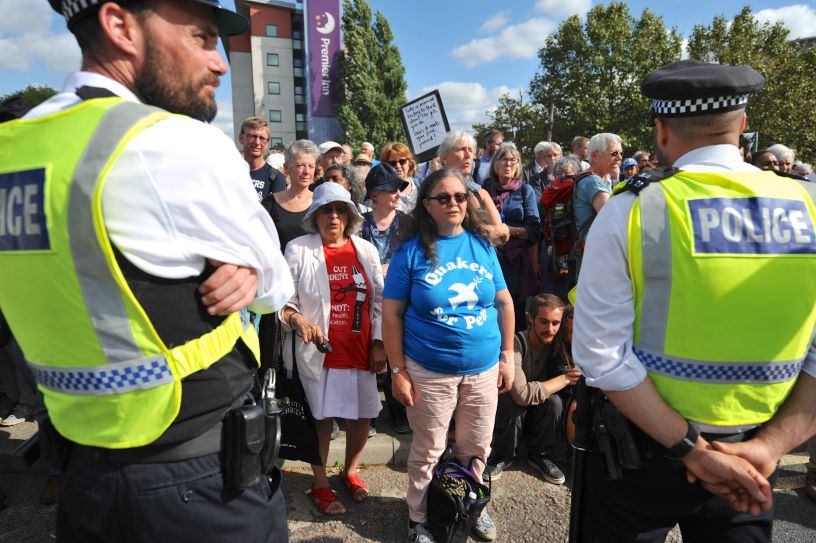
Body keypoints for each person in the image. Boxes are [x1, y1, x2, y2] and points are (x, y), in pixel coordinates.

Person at [0, 1, 295, 541]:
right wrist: (255, 273)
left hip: (84, 478)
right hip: (199, 485)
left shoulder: (12, 149)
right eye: (202, 38)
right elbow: (276, 285)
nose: (220, 63)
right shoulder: (170, 142)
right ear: (119, 26)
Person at [572, 59, 816, 542]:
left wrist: (693, 451)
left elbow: (601, 357)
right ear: (743, 126)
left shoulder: (633, 208)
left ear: (661, 130)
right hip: (751, 455)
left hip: (640, 453)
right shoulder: (807, 205)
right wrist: (770, 447)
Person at [382, 167, 515, 543]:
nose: (455, 203)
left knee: (475, 447)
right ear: (427, 206)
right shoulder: (409, 252)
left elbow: (504, 302)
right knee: (429, 449)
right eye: (444, 198)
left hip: (484, 369)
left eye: (460, 196)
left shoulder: (482, 245)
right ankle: (419, 519)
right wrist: (398, 371)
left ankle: (468, 506)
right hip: (430, 371)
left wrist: (508, 357)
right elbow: (391, 315)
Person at [278, 182, 385, 515]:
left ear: (351, 216)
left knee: (362, 417)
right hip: (319, 352)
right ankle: (320, 483)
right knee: (321, 420)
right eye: (326, 210)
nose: (334, 217)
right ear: (315, 216)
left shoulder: (365, 250)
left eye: (340, 210)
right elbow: (283, 302)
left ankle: (350, 470)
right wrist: (298, 321)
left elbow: (379, 302)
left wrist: (379, 342)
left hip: (360, 349)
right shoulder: (298, 249)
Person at [486, 294, 579, 485]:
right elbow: (521, 394)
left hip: (538, 412)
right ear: (531, 318)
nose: (550, 329)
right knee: (510, 398)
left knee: (555, 402)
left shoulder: (559, 347)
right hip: (511, 411)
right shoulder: (516, 344)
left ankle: (540, 455)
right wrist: (565, 378)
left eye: (555, 323)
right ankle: (503, 456)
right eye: (544, 322)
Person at [360, 164, 411, 434]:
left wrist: (390, 268)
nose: (397, 194)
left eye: (399, 189)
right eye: (392, 189)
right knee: (366, 355)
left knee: (396, 354)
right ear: (375, 194)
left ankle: (399, 411)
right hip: (368, 300)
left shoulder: (408, 223)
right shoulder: (359, 225)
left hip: (400, 299)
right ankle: (366, 414)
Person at [483, 142, 542, 330]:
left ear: (518, 165)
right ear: (495, 164)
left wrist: (508, 231)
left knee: (514, 314)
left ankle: (515, 354)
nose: (508, 164)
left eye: (513, 160)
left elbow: (534, 229)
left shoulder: (525, 190)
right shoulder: (485, 188)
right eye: (504, 159)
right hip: (488, 259)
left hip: (515, 263)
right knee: (489, 310)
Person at [437, 130, 509, 246]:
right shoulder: (434, 191)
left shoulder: (480, 193)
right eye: (461, 149)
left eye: (470, 150)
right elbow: (446, 230)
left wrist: (497, 230)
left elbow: (501, 235)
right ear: (444, 158)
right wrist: (487, 230)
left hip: (480, 258)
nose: (468, 155)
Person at [573, 132, 622, 245]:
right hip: (595, 252)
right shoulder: (593, 182)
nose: (619, 157)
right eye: (614, 153)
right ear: (595, 155)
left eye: (621, 153)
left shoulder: (600, 178)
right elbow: (613, 220)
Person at [238, 116, 286, 200]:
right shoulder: (229, 173)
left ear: (267, 143)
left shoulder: (276, 178)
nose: (257, 142)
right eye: (252, 136)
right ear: (241, 138)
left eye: (262, 138)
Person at [380, 141, 420, 212]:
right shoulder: (381, 192)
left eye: (402, 161)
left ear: (409, 163)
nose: (398, 166)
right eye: (392, 163)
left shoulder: (420, 184)